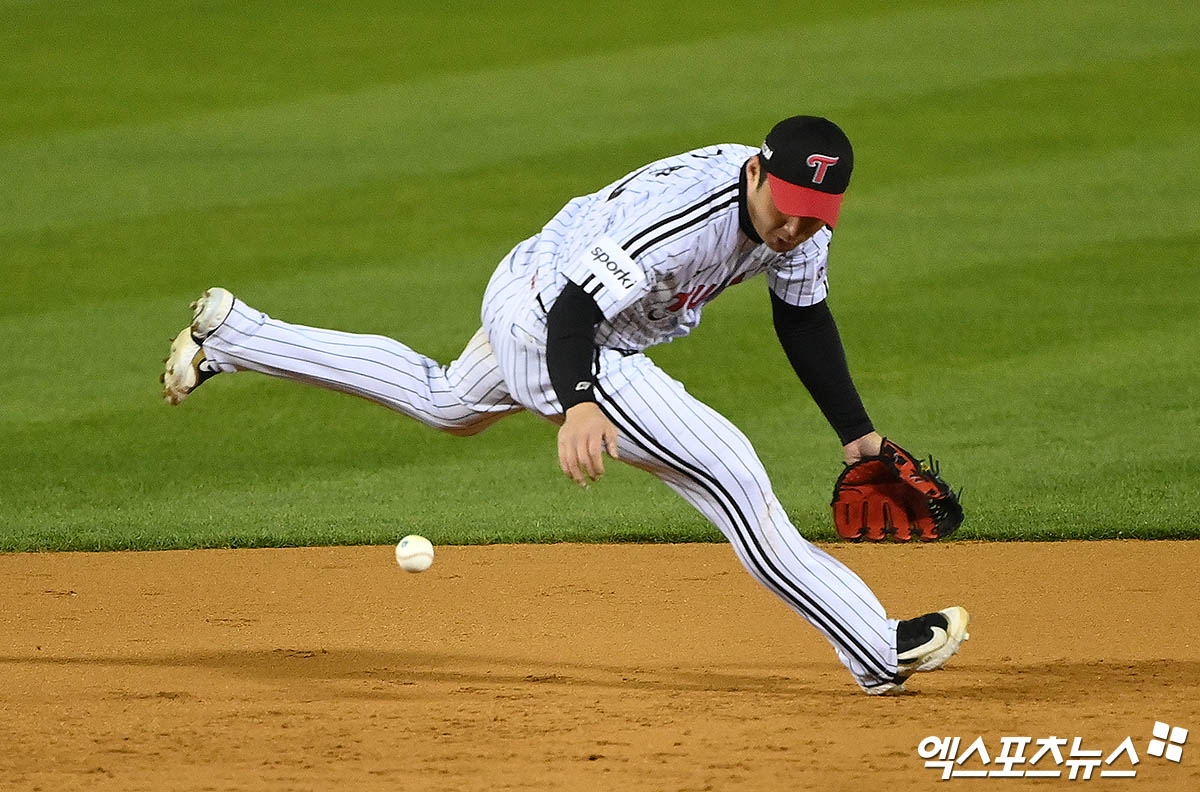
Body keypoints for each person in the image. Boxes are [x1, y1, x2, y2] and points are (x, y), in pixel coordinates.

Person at [162, 115, 970, 694]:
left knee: (448, 400)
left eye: (814, 215)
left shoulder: (804, 219)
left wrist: (857, 439)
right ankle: (875, 646)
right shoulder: (687, 217)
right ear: (757, 171)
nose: (794, 227)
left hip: (548, 295)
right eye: (784, 204)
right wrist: (581, 403)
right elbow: (578, 311)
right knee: (732, 475)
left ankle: (238, 337)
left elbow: (802, 316)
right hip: (553, 316)